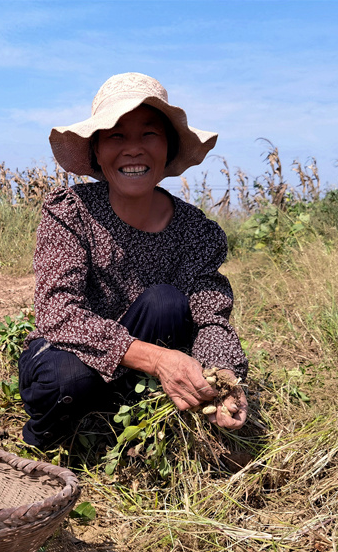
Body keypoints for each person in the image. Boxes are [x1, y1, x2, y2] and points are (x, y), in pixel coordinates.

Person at [18, 72, 248, 449]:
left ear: (169, 148)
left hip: (144, 369)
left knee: (165, 301)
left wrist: (223, 378)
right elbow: (58, 312)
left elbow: (210, 317)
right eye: (116, 135)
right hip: (73, 355)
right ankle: (47, 441)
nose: (133, 149)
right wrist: (158, 360)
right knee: (63, 378)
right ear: (95, 150)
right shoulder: (71, 212)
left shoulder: (195, 231)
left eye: (149, 134)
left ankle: (128, 424)